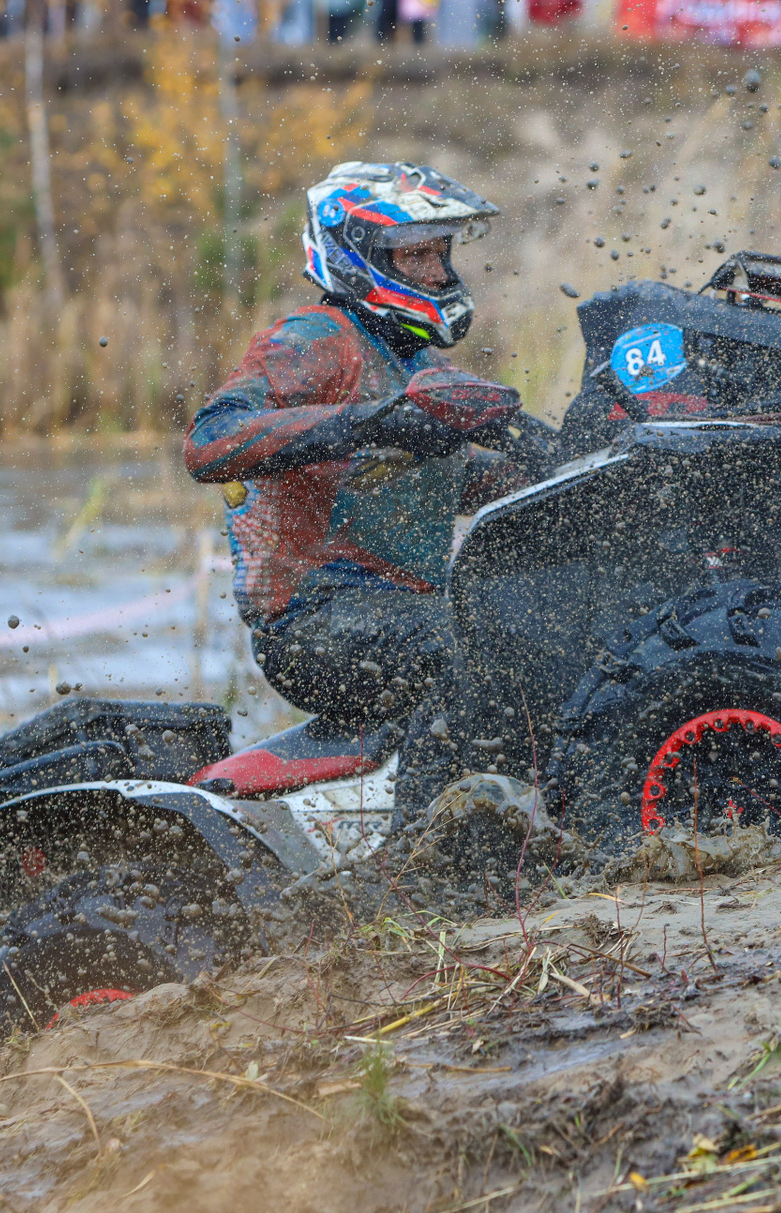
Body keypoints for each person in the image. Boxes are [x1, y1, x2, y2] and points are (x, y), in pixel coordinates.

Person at [185, 162, 542, 772]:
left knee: (544, 629)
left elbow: (454, 482)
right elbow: (208, 441)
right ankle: (434, 831)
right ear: (358, 257)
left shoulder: (423, 365)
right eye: (416, 256)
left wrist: (561, 460)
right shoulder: (319, 336)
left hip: (407, 613)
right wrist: (369, 422)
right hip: (313, 625)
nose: (437, 272)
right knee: (477, 646)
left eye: (440, 253)